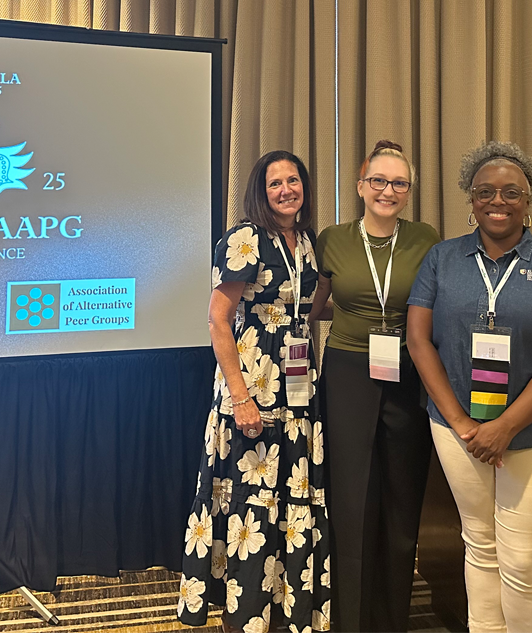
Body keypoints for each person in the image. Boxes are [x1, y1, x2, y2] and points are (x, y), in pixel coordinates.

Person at [407, 141, 532, 633]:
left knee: (525, 561)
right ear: (470, 199)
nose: (498, 201)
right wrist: (462, 423)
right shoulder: (442, 259)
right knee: (480, 546)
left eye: (512, 192)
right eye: (485, 191)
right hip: (457, 429)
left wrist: (504, 427)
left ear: (528, 201)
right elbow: (419, 340)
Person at [177, 150, 331, 633]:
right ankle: (244, 613)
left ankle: (285, 610)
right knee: (252, 502)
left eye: (293, 180)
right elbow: (217, 319)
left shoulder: (307, 241)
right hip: (253, 385)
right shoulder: (245, 238)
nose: (286, 190)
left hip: (298, 387)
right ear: (260, 193)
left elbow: (309, 305)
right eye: (274, 183)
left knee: (291, 496)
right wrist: (241, 397)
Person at [309, 140, 441, 632]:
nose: (388, 191)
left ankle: (392, 620)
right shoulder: (333, 240)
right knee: (350, 499)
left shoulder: (425, 239)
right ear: (361, 186)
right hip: (347, 371)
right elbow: (315, 305)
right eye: (379, 181)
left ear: (408, 191)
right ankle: (350, 619)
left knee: (402, 495)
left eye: (399, 183)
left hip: (407, 369)